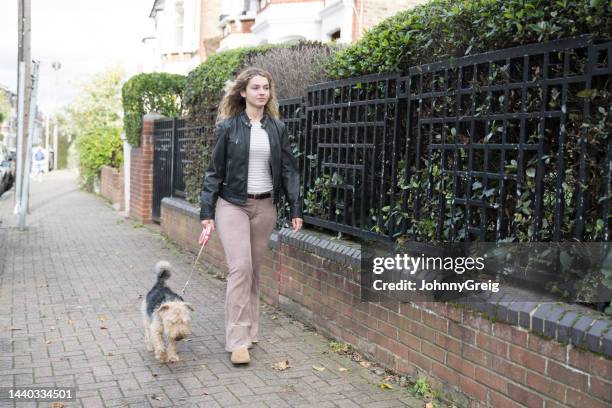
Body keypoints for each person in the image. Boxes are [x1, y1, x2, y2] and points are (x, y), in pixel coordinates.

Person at [198, 67, 303, 365]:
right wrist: (207, 212)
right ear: (243, 92)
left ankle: (251, 330)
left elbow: (288, 170)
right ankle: (238, 340)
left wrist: (295, 207)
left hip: (265, 206)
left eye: (266, 88)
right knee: (240, 268)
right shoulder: (228, 127)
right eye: (255, 87)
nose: (261, 92)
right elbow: (214, 172)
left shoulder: (277, 128)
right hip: (232, 205)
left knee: (254, 270)